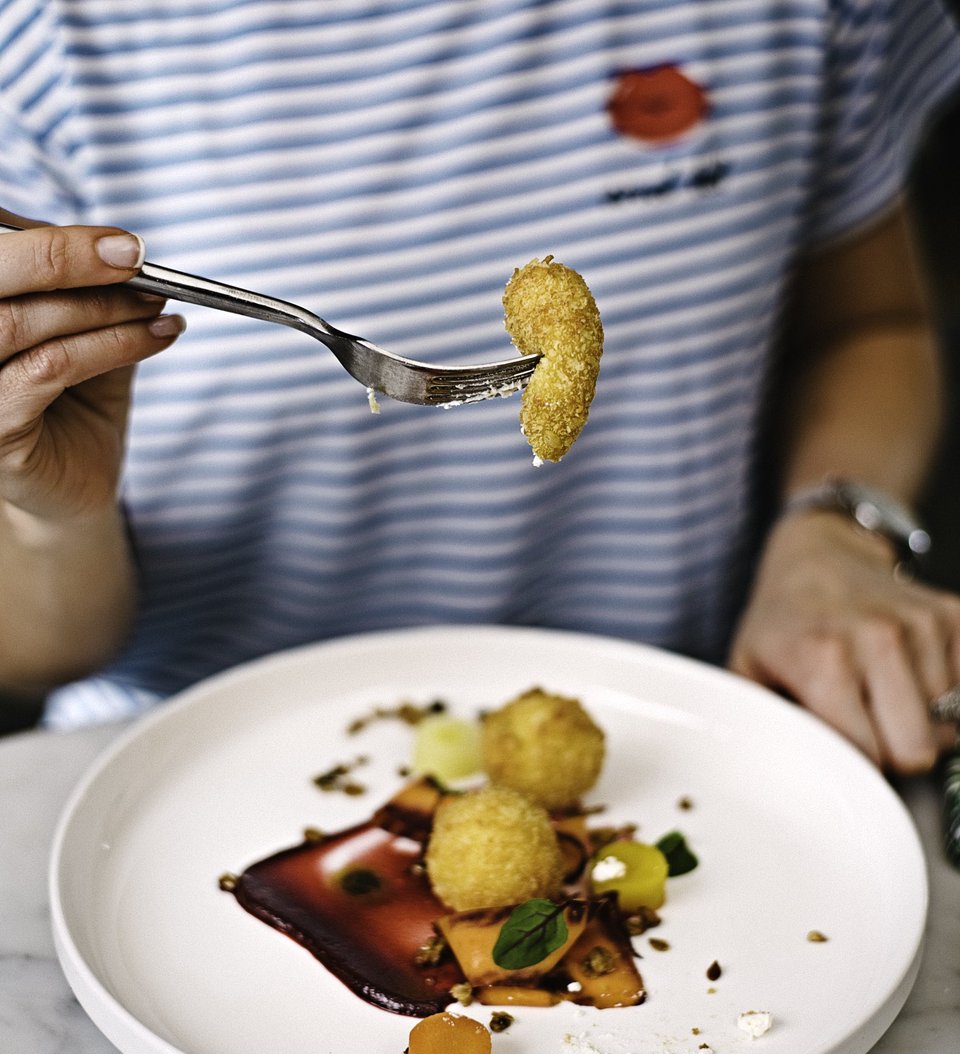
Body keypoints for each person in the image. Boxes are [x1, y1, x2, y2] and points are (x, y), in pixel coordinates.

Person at [1, 0, 959, 775]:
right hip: (179, 784)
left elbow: (871, 326)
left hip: (671, 749)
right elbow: (32, 652)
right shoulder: (45, 41)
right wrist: (53, 513)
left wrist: (832, 533)